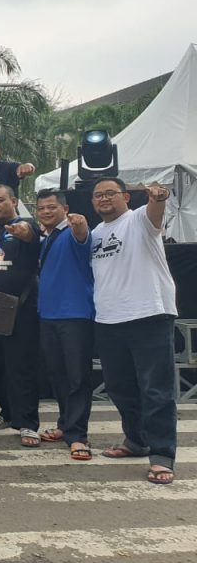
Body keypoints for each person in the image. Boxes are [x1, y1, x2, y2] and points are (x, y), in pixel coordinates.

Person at [90, 178, 178, 484]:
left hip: (149, 314)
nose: (103, 199)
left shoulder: (139, 219)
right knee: (119, 387)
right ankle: (136, 440)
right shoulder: (95, 233)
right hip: (108, 319)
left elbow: (156, 211)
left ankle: (162, 455)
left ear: (125, 197)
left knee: (156, 389)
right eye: (98, 195)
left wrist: (158, 197)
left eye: (110, 193)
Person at [0, 183, 42, 446]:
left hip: (21, 308)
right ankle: (7, 412)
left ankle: (28, 423)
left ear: (13, 201)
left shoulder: (27, 224)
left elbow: (29, 233)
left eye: (0, 200)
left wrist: (22, 231)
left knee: (20, 367)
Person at [35, 189, 95, 460]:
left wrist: (80, 225)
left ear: (65, 209)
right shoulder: (47, 237)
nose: (46, 212)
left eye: (51, 207)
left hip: (75, 314)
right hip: (48, 315)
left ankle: (78, 435)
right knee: (57, 374)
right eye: (41, 208)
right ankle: (64, 423)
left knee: (77, 376)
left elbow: (82, 235)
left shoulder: (71, 232)